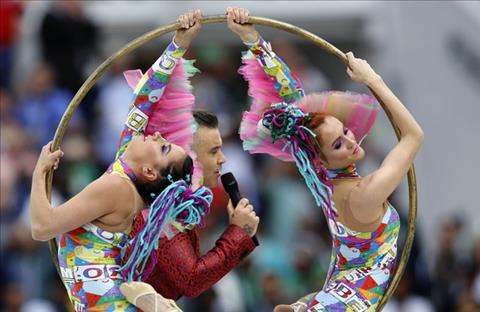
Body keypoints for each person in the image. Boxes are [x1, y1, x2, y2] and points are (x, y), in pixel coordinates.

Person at [227, 7, 424, 312]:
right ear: (322, 158)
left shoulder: (324, 181)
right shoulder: (365, 192)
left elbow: (293, 98)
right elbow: (413, 136)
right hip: (345, 305)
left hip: (333, 296)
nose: (350, 141)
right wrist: (372, 80)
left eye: (345, 131)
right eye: (337, 144)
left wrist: (253, 40)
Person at [29, 10, 213, 312]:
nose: (156, 136)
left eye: (164, 147)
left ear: (150, 171)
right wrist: (177, 45)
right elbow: (144, 100)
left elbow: (41, 227)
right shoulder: (124, 174)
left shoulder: (117, 188)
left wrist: (39, 173)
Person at [119, 12, 260, 309]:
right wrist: (237, 233)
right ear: (189, 157)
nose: (222, 159)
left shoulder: (177, 203)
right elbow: (192, 280)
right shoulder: (156, 207)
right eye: (213, 150)